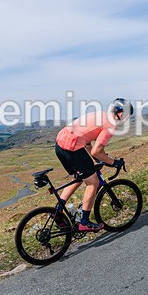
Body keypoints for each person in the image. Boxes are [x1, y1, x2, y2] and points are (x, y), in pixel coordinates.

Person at [54, 98, 133, 231]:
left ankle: (58, 211)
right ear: (119, 113)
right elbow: (97, 151)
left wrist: (98, 159)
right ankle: (84, 222)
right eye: (126, 115)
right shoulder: (111, 124)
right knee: (93, 183)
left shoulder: (101, 114)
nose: (125, 119)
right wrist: (114, 162)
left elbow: (88, 141)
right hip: (72, 148)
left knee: (78, 178)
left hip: (60, 144)